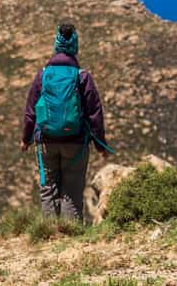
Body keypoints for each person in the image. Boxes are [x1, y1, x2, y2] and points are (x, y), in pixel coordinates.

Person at [20, 22, 110, 221]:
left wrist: (25, 139)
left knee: (49, 188)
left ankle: (50, 234)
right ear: (74, 46)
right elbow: (95, 113)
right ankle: (70, 236)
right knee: (72, 189)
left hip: (45, 141)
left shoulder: (43, 75)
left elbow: (30, 110)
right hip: (76, 143)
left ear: (56, 45)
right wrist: (100, 144)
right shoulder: (82, 76)